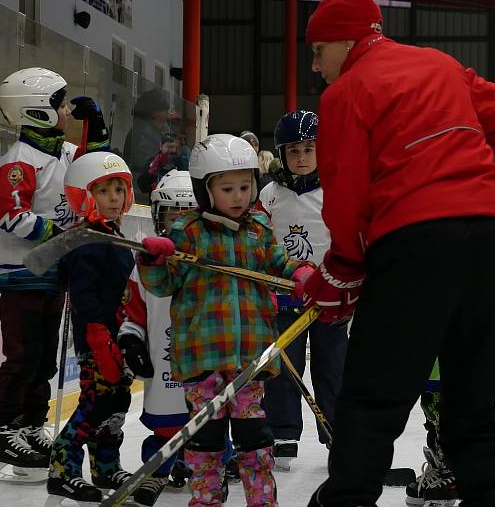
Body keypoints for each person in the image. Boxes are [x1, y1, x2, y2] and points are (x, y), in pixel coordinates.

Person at [301, 0, 495, 507]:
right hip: (491, 230)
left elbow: (347, 192)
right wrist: (446, 148)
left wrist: (342, 270)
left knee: (374, 393)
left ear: (348, 41)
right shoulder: (439, 64)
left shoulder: (346, 93)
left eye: (319, 51)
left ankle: (348, 499)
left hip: (416, 239)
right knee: (472, 396)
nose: (316, 66)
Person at [137, 134, 315, 507]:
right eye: (228, 188)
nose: (239, 196)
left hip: (249, 359)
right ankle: (205, 501)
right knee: (206, 442)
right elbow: (163, 284)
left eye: (245, 186)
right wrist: (154, 262)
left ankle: (262, 502)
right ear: (205, 190)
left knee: (254, 438)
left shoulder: (258, 230)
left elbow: (279, 263)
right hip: (203, 359)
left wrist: (300, 274)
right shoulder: (187, 232)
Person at [0, 67, 77, 483]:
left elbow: (98, 168)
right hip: (23, 277)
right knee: (22, 357)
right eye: (60, 104)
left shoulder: (65, 154)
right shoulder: (18, 162)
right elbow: (10, 215)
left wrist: (102, 133)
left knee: (44, 359)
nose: (67, 110)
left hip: (55, 274)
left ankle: (30, 425)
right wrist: (57, 231)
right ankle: (2, 431)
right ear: (37, 111)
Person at [258, 110, 347, 472]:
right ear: (281, 154)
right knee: (283, 368)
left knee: (334, 369)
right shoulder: (268, 194)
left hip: (329, 299)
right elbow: (260, 241)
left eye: (309, 149)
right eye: (293, 150)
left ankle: (337, 434)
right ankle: (283, 435)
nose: (301, 157)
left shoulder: (337, 189)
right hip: (283, 298)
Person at [46, 151, 138, 505]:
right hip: (98, 340)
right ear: (84, 195)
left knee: (117, 403)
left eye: (118, 189)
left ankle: (105, 465)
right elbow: (83, 294)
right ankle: (62, 467)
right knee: (96, 403)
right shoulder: (87, 239)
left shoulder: (113, 234)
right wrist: (98, 338)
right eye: (103, 191)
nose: (114, 198)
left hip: (120, 337)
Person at [117, 169, 199, 505]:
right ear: (157, 215)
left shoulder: (209, 261)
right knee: (166, 423)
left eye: (186, 215)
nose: (178, 223)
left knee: (208, 420)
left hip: (202, 361)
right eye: (171, 214)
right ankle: (157, 470)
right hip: (164, 361)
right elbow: (133, 313)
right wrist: (131, 341)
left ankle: (207, 467)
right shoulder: (145, 266)